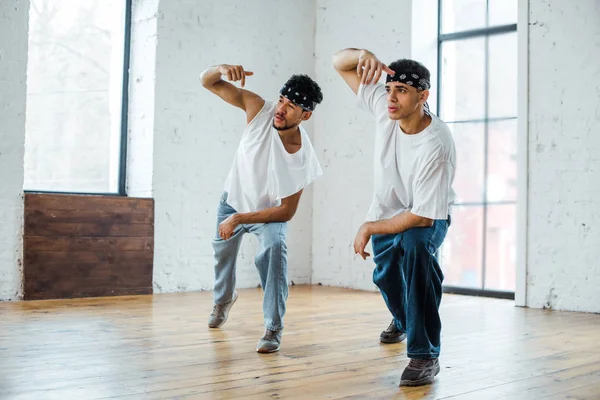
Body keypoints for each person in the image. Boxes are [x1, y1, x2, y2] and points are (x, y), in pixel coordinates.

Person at [332, 48, 456, 386]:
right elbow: (338, 63)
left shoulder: (437, 143)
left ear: (422, 96)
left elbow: (421, 218)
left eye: (401, 90)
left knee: (416, 253)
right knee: (386, 276)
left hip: (428, 217)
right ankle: (406, 321)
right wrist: (363, 55)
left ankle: (424, 355)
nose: (391, 97)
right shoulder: (386, 107)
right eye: (389, 88)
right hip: (388, 213)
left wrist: (369, 226)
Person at [199, 63, 324, 353]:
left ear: (305, 115)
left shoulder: (302, 157)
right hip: (232, 200)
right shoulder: (258, 109)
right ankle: (223, 299)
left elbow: (286, 212)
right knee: (222, 257)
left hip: (269, 215)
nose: (281, 108)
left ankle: (273, 327)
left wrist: (241, 219)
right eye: (282, 99)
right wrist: (220, 69)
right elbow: (208, 82)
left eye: (291, 106)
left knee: (273, 253)